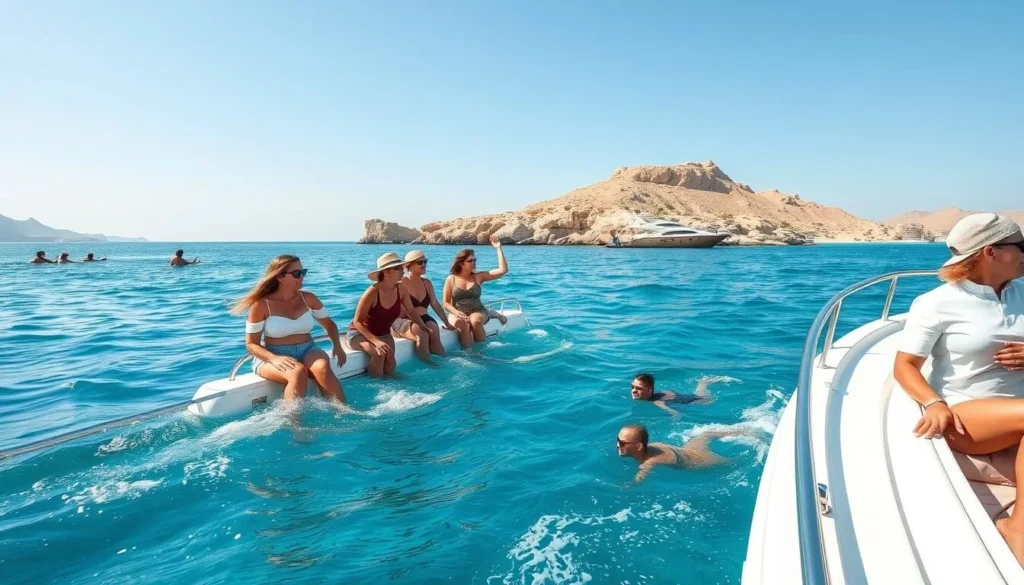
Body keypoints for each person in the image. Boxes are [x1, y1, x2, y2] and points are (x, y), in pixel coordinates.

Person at [892, 213, 1024, 564]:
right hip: (968, 416)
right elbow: (905, 366)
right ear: (991, 252)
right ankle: (1016, 529)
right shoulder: (936, 304)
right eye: (1021, 245)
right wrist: (933, 402)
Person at [232, 255, 346, 402]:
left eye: (303, 272)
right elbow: (251, 344)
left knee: (322, 368)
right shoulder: (261, 305)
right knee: (297, 372)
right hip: (273, 354)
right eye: (296, 273)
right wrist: (274, 359)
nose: (302, 277)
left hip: (308, 349)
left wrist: (337, 346)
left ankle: (343, 412)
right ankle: (292, 417)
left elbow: (329, 324)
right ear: (279, 277)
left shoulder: (309, 298)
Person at [347, 252, 429, 376]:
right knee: (379, 353)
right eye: (398, 268)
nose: (402, 270)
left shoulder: (401, 289)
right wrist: (375, 341)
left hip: (384, 334)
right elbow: (357, 322)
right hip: (359, 334)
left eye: (401, 267)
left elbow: (411, 311)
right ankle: (376, 385)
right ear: (386, 273)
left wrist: (422, 325)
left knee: (391, 364)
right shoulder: (372, 292)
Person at [443, 235, 509, 349]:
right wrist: (457, 313)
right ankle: (469, 355)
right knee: (464, 325)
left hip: (478, 311)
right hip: (457, 313)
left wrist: (498, 248)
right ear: (461, 263)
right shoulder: (451, 279)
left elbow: (503, 270)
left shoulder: (478, 277)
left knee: (474, 321)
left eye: (474, 260)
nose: (473, 263)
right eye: (470, 261)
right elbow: (445, 303)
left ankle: (481, 352)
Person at [616, 424, 738, 482]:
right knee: (705, 435)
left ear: (639, 446)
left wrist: (623, 487)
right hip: (689, 450)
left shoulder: (649, 463)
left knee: (733, 463)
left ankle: (746, 434)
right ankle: (741, 431)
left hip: (702, 461)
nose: (617, 445)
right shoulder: (653, 445)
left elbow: (635, 484)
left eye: (622, 443)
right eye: (618, 440)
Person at [393, 250, 454, 359]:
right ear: (409, 265)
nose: (424, 265)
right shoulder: (401, 283)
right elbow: (407, 310)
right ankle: (428, 363)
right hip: (403, 320)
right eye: (420, 262)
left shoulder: (427, 283)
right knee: (421, 332)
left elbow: (435, 304)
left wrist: (447, 323)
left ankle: (444, 362)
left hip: (423, 318)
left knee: (434, 328)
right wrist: (421, 324)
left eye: (425, 261)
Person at [630, 373, 715, 418]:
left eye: (639, 388)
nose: (633, 390)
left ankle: (703, 383)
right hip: (678, 396)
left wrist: (674, 418)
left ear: (649, 390)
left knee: (706, 399)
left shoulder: (657, 402)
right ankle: (703, 383)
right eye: (632, 387)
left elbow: (676, 413)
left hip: (695, 400)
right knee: (698, 393)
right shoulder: (658, 394)